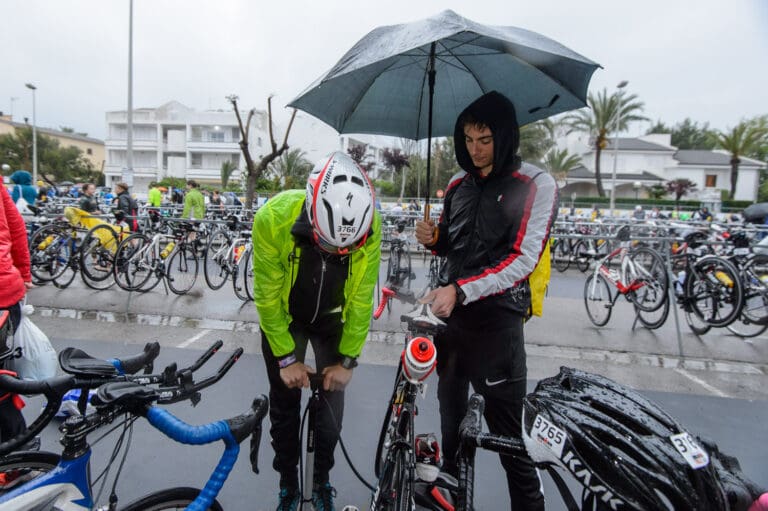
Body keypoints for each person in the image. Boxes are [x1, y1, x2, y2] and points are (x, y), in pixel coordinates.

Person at [414, 91, 556, 510]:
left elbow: (523, 259)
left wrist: (461, 290)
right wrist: (434, 239)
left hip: (498, 331)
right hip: (451, 328)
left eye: (485, 139)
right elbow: (452, 244)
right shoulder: (457, 184)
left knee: (513, 445)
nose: (474, 150)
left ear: (505, 136)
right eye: (468, 139)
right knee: (451, 431)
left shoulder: (535, 183)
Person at [252, 151, 380, 511]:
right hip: (287, 315)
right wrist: (287, 358)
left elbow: (360, 299)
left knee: (331, 402)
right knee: (284, 400)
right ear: (311, 210)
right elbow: (265, 296)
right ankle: (288, 484)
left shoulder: (372, 224)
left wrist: (348, 361)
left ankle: (322, 477)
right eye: (328, 243)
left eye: (346, 248)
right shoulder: (272, 219)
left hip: (332, 316)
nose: (338, 252)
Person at [0, 184, 33, 444]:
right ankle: (18, 449)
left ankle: (16, 452)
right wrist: (23, 273)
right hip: (7, 293)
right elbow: (16, 226)